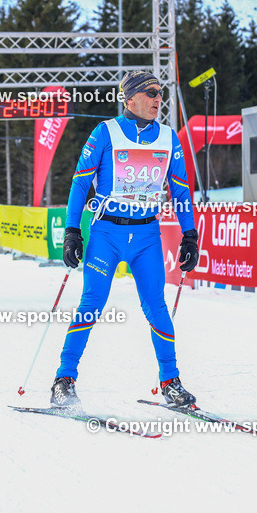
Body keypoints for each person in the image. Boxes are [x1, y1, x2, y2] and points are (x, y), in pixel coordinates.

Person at [51, 70, 200, 409]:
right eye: (150, 93)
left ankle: (170, 382)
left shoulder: (168, 137)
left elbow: (180, 189)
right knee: (91, 306)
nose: (157, 99)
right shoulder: (106, 132)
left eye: (160, 93)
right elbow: (79, 184)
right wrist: (72, 230)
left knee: (156, 307)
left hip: (147, 235)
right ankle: (64, 379)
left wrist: (189, 234)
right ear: (130, 99)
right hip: (107, 234)